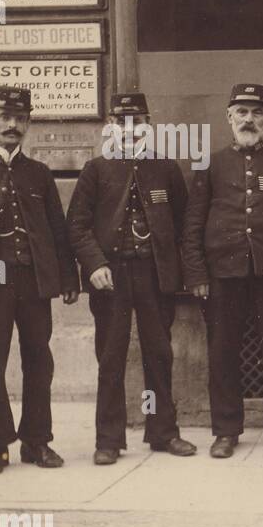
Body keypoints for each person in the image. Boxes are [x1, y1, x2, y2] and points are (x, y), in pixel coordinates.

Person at [0, 86, 78, 474]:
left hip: (33, 283)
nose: (12, 125)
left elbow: (58, 230)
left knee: (39, 361)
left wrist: (69, 277)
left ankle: (37, 442)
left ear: (28, 125)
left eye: (20, 119)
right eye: (5, 117)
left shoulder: (38, 173)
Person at [66, 91, 196, 465]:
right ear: (110, 127)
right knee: (110, 357)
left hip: (155, 276)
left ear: (148, 126)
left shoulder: (166, 169)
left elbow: (184, 221)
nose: (129, 129)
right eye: (121, 122)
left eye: (137, 122)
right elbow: (77, 226)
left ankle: (163, 433)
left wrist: (179, 272)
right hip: (111, 277)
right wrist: (94, 265)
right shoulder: (96, 170)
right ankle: (108, 439)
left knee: (159, 353)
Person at [182, 83, 263, 459]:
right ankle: (226, 431)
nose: (248, 120)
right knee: (223, 352)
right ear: (228, 117)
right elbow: (193, 224)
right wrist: (198, 275)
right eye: (241, 113)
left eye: (255, 113)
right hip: (223, 273)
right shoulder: (210, 163)